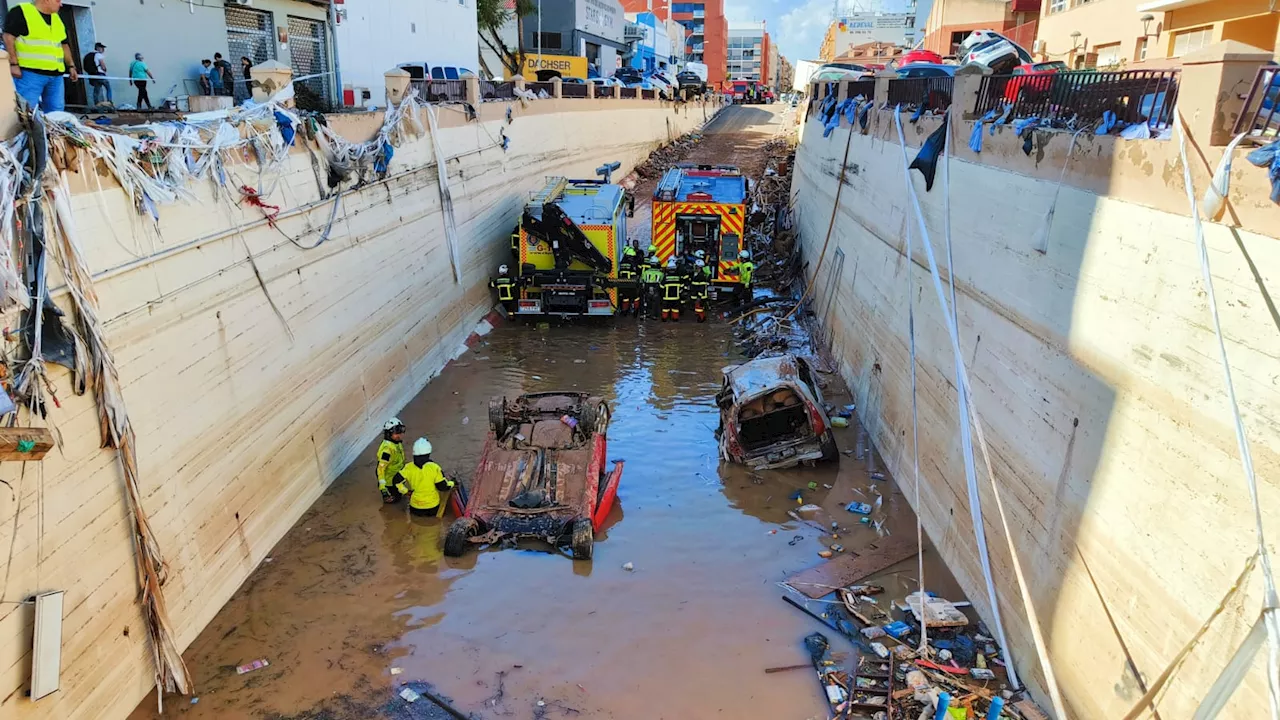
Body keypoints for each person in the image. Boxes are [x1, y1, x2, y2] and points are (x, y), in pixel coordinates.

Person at [3, 0, 80, 113]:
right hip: (30, 74)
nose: (61, 4)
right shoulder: (22, 11)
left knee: (56, 112)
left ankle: (52, 131)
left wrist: (71, 66)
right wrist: (14, 64)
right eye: (58, 1)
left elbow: (63, 44)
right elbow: (8, 37)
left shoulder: (56, 18)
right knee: (27, 112)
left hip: (56, 75)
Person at [393, 438, 455, 516]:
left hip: (415, 508)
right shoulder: (434, 468)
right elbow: (443, 487)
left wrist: (405, 491)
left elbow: (395, 481)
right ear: (428, 453)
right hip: (433, 507)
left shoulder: (408, 467)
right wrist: (452, 483)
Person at [376, 418, 406, 503]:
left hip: (397, 477)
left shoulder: (397, 443)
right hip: (390, 482)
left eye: (401, 432)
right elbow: (380, 469)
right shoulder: (387, 451)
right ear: (389, 433)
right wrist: (383, 489)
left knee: (400, 495)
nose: (400, 435)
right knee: (396, 501)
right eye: (397, 432)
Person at [82, 42, 110, 106]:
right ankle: (109, 101)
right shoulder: (99, 55)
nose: (103, 49)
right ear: (98, 48)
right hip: (101, 74)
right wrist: (105, 69)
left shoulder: (92, 55)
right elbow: (102, 64)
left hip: (95, 75)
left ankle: (97, 104)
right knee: (108, 88)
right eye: (102, 48)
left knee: (96, 90)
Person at [617, 242, 640, 316]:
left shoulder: (622, 263)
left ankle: (624, 312)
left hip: (623, 284)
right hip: (631, 283)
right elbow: (635, 273)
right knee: (636, 297)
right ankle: (636, 311)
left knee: (625, 298)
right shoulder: (632, 264)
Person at [640, 252, 663, 319]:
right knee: (656, 302)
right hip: (656, 288)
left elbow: (642, 280)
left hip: (647, 288)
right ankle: (654, 315)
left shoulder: (645, 272)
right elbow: (662, 282)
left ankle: (647, 313)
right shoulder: (660, 273)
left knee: (647, 301)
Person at [661, 258, 684, 322]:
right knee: (675, 309)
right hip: (676, 297)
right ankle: (675, 318)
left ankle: (664, 318)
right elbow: (682, 287)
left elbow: (661, 287)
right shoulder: (679, 278)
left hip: (666, 298)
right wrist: (679, 293)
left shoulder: (665, 278)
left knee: (665, 309)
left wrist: (662, 295)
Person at [690, 259, 710, 323]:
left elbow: (702, 287)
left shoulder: (701, 276)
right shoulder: (696, 274)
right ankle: (701, 317)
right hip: (697, 295)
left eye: (695, 266)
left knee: (699, 308)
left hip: (701, 296)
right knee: (698, 307)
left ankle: (701, 318)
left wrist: (699, 296)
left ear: (698, 267)